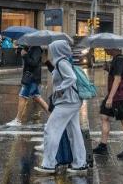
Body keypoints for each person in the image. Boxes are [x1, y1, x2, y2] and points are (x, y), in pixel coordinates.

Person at [33, 40, 87, 175]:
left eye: (52, 49)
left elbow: (71, 78)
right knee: (74, 133)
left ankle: (49, 164)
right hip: (71, 101)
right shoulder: (62, 62)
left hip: (67, 102)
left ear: (57, 50)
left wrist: (60, 89)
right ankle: (80, 164)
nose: (50, 52)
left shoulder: (62, 62)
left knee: (50, 130)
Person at [93, 47, 123, 158]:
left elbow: (118, 79)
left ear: (114, 49)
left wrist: (110, 97)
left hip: (119, 96)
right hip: (116, 94)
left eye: (107, 47)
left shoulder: (119, 61)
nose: (105, 49)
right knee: (104, 115)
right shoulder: (117, 60)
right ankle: (103, 146)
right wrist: (108, 69)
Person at [6, 45, 49, 127]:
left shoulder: (36, 49)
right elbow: (25, 56)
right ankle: (52, 116)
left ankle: (18, 120)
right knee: (37, 97)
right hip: (30, 77)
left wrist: (25, 55)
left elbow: (34, 63)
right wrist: (20, 51)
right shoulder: (29, 48)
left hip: (32, 78)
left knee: (22, 96)